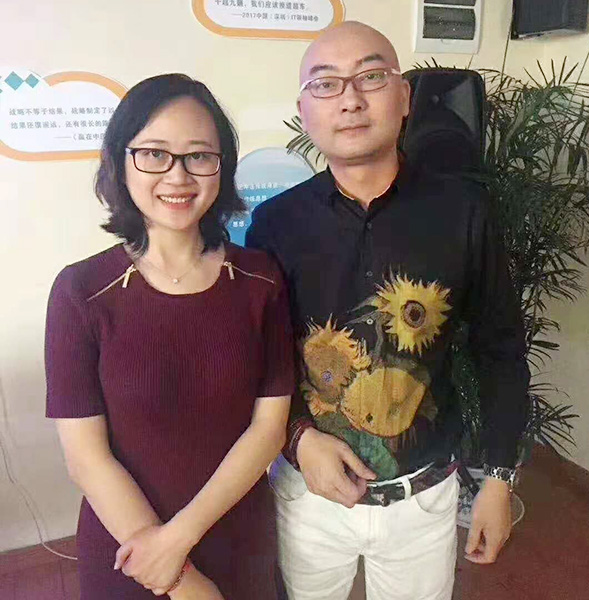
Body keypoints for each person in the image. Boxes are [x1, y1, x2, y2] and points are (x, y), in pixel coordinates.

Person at [246, 21, 530, 600]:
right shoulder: (275, 225)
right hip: (308, 493)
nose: (350, 99)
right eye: (326, 84)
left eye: (371, 77)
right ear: (305, 112)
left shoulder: (464, 212)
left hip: (421, 499)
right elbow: (261, 359)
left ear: (404, 99)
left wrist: (499, 479)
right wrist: (298, 438)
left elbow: (500, 350)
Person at [45, 73, 294, 599]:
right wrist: (178, 579)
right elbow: (87, 458)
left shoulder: (260, 279)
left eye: (199, 156)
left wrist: (179, 542)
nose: (177, 176)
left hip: (237, 537)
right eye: (154, 154)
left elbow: (267, 430)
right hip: (128, 548)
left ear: (222, 166)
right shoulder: (81, 291)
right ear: (120, 162)